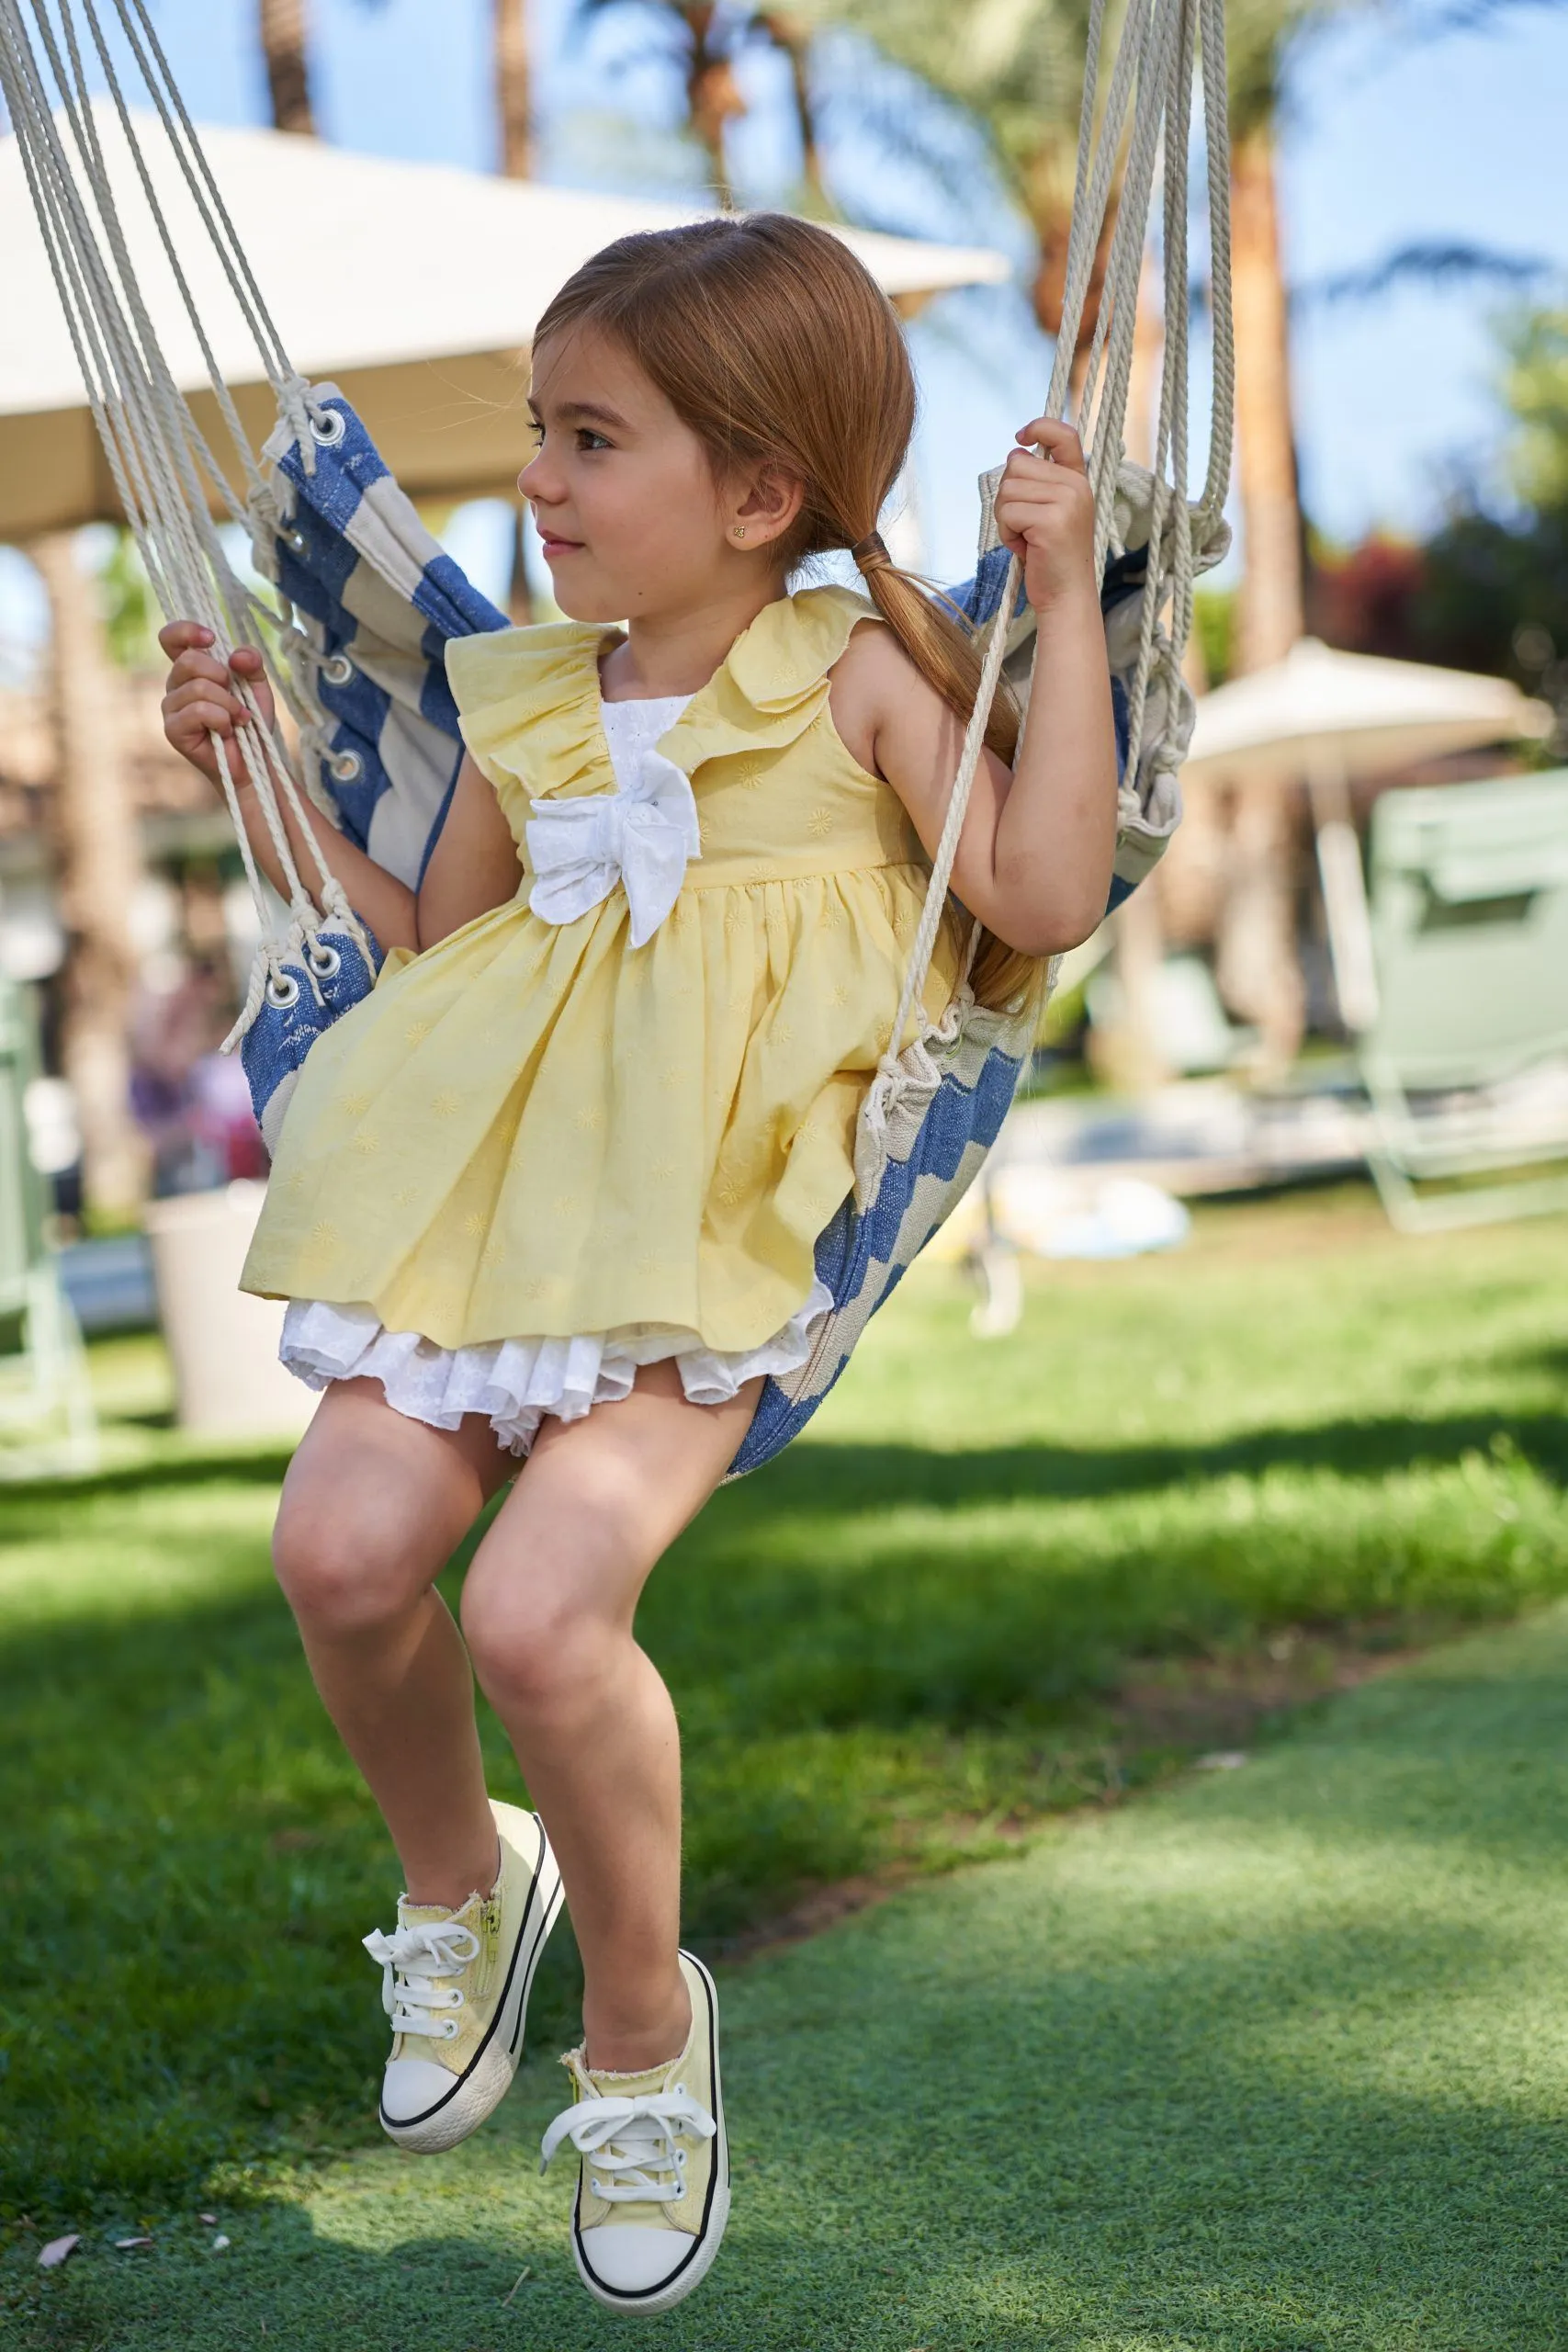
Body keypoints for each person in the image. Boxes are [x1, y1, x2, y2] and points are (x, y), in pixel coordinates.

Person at [157, 212, 1116, 2317]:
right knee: (336, 1550)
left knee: (539, 1606)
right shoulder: (533, 699)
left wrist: (1060, 594)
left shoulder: (859, 673)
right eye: (539, 431)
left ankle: (640, 2035)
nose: (542, 481)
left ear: (759, 493)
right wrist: (250, 769)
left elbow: (1039, 890)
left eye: (592, 440)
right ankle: (458, 1879)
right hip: (485, 1201)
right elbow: (426, 937)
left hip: (713, 1233)